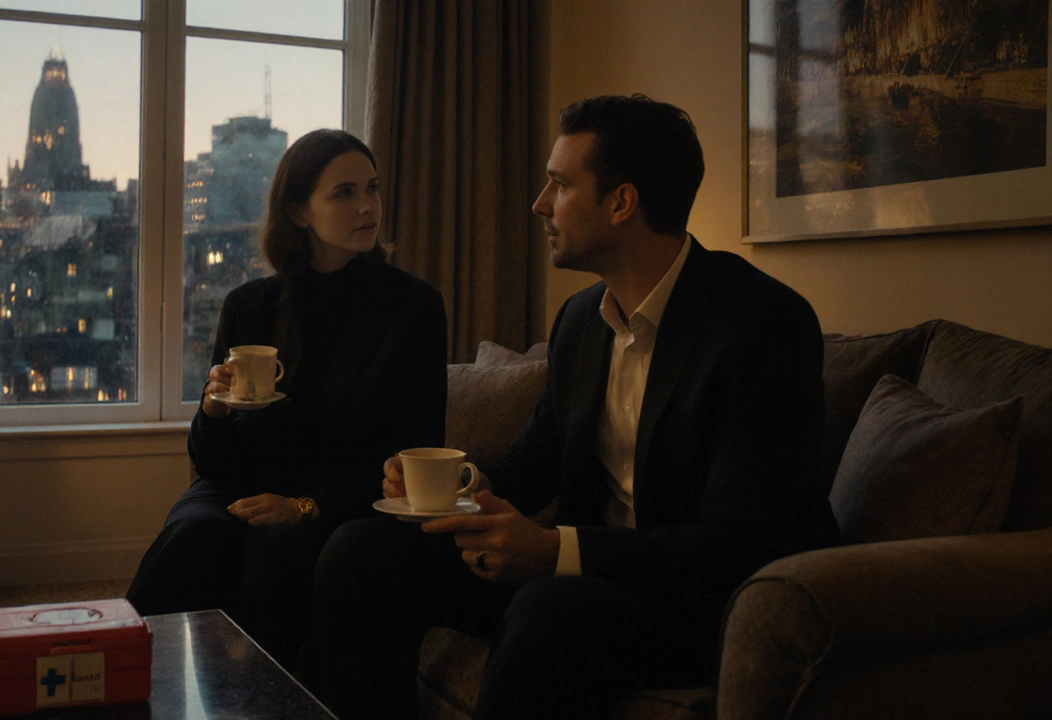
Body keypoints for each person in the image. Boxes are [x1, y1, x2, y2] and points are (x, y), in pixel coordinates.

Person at [310, 96, 840, 719]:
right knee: (362, 551)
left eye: (560, 184)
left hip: (701, 602)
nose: (540, 203)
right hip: (585, 574)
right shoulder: (581, 319)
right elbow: (539, 458)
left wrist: (553, 553)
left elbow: (736, 544)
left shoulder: (761, 325)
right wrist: (460, 485)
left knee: (548, 609)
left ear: (622, 203)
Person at [127, 129, 447, 667]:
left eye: (371, 188)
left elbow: (416, 452)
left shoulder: (413, 309)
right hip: (239, 485)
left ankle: (252, 702)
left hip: (343, 503)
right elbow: (211, 462)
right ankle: (119, 680)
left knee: (275, 555)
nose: (368, 206)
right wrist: (214, 412)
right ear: (299, 211)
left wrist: (305, 507)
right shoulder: (250, 305)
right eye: (344, 193)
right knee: (190, 538)